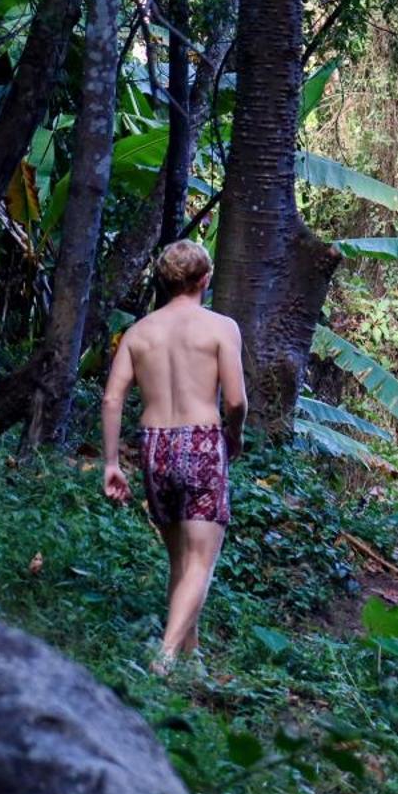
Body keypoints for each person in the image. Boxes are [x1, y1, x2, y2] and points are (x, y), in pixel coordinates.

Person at [101, 240, 247, 669]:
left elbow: (112, 400)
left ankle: (191, 655)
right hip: (201, 440)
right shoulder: (221, 327)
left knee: (182, 562)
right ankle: (164, 658)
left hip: (155, 445)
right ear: (205, 279)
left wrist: (111, 462)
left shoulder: (138, 332)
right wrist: (233, 437)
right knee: (201, 561)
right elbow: (236, 402)